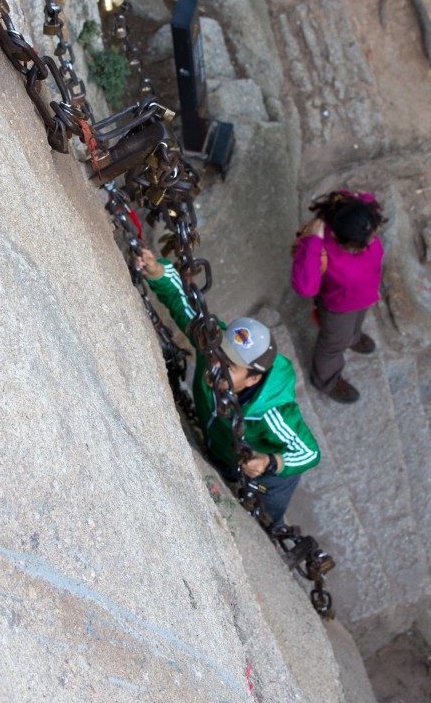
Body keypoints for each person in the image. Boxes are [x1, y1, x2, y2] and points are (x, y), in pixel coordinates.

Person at [138, 249, 320, 532]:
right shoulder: (211, 347)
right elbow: (188, 306)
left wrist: (272, 462)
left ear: (251, 380)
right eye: (218, 356)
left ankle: (272, 528)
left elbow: (309, 453)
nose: (215, 368)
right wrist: (158, 272)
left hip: (269, 476)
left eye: (230, 367)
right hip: (221, 447)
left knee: (266, 513)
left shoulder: (271, 414)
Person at [291, 189, 385, 405]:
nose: (372, 239)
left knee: (357, 322)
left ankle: (353, 337)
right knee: (333, 344)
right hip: (338, 307)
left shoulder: (363, 221)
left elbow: (366, 199)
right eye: (364, 242)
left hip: (364, 297)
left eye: (373, 233)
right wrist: (313, 240)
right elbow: (305, 287)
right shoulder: (321, 248)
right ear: (340, 238)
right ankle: (326, 380)